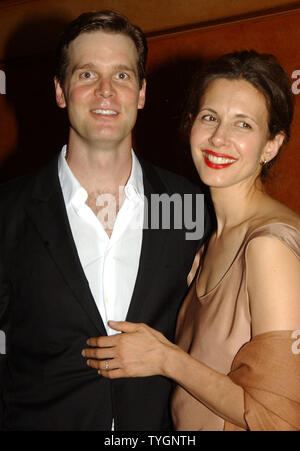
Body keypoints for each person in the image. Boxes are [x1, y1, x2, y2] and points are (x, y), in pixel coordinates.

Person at [0, 10, 210, 430]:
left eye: (122, 76)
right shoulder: (8, 209)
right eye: (86, 75)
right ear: (60, 91)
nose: (106, 92)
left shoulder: (188, 205)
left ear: (142, 92)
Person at [83, 50, 300, 431]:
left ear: (272, 144)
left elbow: (278, 420)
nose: (220, 138)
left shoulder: (269, 247)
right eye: (210, 117)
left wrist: (166, 358)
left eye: (244, 125)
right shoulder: (206, 242)